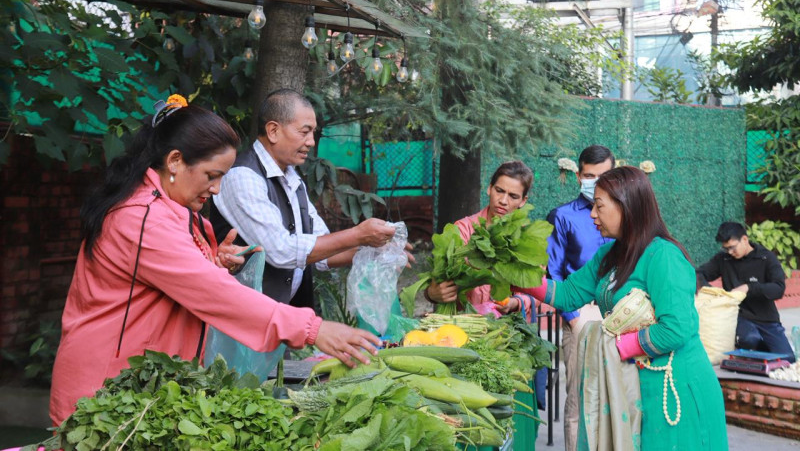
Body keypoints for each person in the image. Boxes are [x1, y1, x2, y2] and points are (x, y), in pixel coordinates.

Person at [49, 97, 379, 426]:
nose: (218, 189)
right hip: (105, 393)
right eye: (212, 175)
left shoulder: (171, 211)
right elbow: (212, 293)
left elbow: (177, 280)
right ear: (175, 161)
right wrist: (310, 328)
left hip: (143, 388)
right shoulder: (143, 218)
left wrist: (215, 262)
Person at [520, 166, 728, 450]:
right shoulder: (610, 254)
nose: (592, 214)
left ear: (626, 206)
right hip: (631, 386)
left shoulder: (664, 256)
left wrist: (614, 347)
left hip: (674, 389)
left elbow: (677, 328)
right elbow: (568, 294)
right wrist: (516, 277)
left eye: (599, 206)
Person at [211, 89, 398, 308]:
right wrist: (358, 235)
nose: (310, 142)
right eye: (304, 132)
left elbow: (322, 250)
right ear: (273, 131)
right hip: (244, 317)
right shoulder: (243, 177)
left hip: (283, 315)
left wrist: (374, 248)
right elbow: (280, 252)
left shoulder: (292, 178)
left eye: (313, 133)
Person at [546, 145, 614, 451]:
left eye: (604, 176)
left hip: (622, 315)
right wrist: (573, 319)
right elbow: (554, 273)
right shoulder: (562, 216)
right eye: (590, 175)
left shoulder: (627, 216)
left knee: (620, 396)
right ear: (578, 175)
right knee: (578, 400)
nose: (596, 182)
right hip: (579, 316)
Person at [425, 161, 536, 316]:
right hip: (461, 323)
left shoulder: (526, 240)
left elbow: (537, 289)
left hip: (506, 328)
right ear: (489, 188)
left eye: (513, 196)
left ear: (523, 201)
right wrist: (432, 293)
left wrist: (515, 302)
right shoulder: (462, 230)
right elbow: (439, 281)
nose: (503, 201)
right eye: (499, 190)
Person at [697, 221, 795, 362]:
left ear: (744, 239)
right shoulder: (723, 259)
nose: (730, 252)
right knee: (750, 339)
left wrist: (749, 288)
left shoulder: (766, 258)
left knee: (788, 359)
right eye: (726, 249)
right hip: (738, 316)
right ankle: (754, 354)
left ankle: (761, 355)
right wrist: (714, 292)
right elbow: (698, 274)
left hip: (767, 319)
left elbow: (778, 289)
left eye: (732, 247)